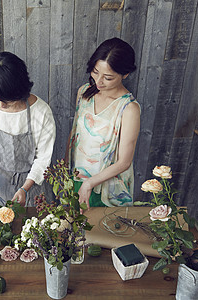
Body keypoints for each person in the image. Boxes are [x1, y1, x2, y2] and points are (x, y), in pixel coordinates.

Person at [0, 52, 56, 207]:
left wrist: (25, 188)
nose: (0, 106)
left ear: (20, 91)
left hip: (33, 188)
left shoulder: (42, 112)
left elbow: (43, 160)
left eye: (6, 102)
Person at [67, 37, 141, 208]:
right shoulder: (84, 92)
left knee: (101, 231)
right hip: (77, 175)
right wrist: (66, 171)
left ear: (125, 74)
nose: (99, 81)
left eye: (108, 77)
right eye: (95, 72)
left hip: (106, 185)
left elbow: (124, 161)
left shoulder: (129, 109)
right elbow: (74, 136)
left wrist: (89, 183)